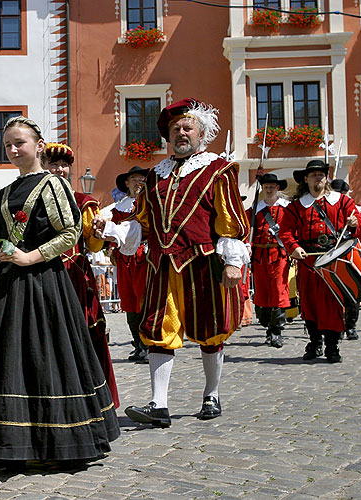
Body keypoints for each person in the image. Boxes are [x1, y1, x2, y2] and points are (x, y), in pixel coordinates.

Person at [0, 116, 119, 469]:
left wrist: (31, 256)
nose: (13, 149)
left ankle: (55, 442)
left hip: (42, 283)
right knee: (6, 360)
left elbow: (70, 232)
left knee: (43, 357)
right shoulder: (3, 194)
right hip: (5, 283)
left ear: (38, 145)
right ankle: (4, 441)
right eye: (8, 145)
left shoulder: (53, 185)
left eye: (20, 142)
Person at [95, 98, 250, 426]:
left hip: (204, 262)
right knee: (156, 329)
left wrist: (233, 262)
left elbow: (230, 219)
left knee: (210, 330)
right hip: (162, 265)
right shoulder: (155, 176)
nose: (180, 132)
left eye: (187, 127)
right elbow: (142, 223)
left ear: (201, 132)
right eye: (174, 128)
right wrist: (109, 229)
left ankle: (211, 394)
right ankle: (158, 404)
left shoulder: (217, 170)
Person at [44, 142, 119, 408]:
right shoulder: (33, 199)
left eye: (64, 165)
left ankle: (89, 392)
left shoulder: (83, 202)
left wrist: (99, 232)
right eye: (54, 164)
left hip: (73, 276)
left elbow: (95, 245)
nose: (60, 169)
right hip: (43, 276)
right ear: (43, 166)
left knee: (83, 334)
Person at [278, 160, 361, 363]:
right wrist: (294, 247)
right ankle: (315, 343)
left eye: (321, 174)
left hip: (334, 260)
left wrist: (353, 223)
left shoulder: (342, 202)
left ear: (326, 178)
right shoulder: (295, 207)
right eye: (314, 174)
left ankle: (333, 347)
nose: (318, 177)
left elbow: (358, 224)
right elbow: (285, 232)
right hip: (308, 261)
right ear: (305, 179)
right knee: (310, 304)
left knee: (332, 304)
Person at [105, 165, 151, 363]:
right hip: (124, 258)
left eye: (142, 178)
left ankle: (150, 343)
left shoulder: (150, 204)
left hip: (144, 256)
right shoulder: (119, 208)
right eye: (134, 178)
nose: (139, 181)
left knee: (145, 299)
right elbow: (114, 234)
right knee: (129, 302)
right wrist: (111, 247)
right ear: (126, 183)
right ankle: (138, 344)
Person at [329, 179, 361, 339]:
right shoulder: (325, 208)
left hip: (350, 256)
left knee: (352, 292)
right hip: (329, 256)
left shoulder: (354, 211)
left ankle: (350, 326)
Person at [247, 173, 291, 348]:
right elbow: (245, 229)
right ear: (262, 188)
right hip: (260, 256)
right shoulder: (254, 210)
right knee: (263, 292)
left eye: (272, 186)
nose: (269, 189)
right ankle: (267, 325)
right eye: (266, 186)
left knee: (279, 291)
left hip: (279, 255)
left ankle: (276, 331)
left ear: (277, 188)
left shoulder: (287, 208)